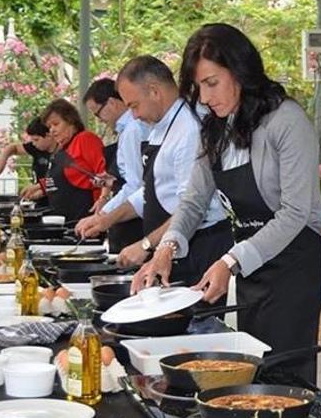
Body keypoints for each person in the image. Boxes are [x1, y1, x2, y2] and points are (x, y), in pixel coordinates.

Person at [132, 23, 321, 384]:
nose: (205, 97)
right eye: (198, 87)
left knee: (286, 379)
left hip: (294, 268)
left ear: (241, 70)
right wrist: (166, 247)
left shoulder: (286, 121)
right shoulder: (215, 130)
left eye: (212, 83)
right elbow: (194, 200)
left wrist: (230, 261)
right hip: (252, 271)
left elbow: (295, 213)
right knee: (253, 371)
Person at [75, 56, 232, 284]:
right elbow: (150, 191)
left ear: (154, 91)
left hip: (199, 250)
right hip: (170, 249)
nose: (135, 116)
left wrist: (147, 244)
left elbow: (194, 207)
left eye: (134, 106)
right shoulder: (160, 126)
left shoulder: (189, 130)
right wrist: (105, 220)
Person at [82, 78, 151, 253]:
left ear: (112, 103)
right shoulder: (127, 130)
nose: (99, 120)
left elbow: (136, 185)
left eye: (97, 113)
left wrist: (103, 215)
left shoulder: (133, 130)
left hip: (134, 223)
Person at [41, 99, 106, 224]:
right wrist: (39, 188)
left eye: (56, 124)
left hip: (84, 220)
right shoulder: (61, 149)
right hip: (62, 221)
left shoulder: (85, 139)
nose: (52, 131)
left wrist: (101, 210)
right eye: (49, 127)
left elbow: (103, 175)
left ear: (70, 121)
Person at [0, 117, 57, 205]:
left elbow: (58, 180)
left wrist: (40, 189)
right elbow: (14, 148)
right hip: (39, 203)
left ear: (49, 136)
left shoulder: (61, 154)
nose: (33, 143)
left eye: (36, 140)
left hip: (55, 204)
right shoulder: (36, 148)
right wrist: (2, 159)